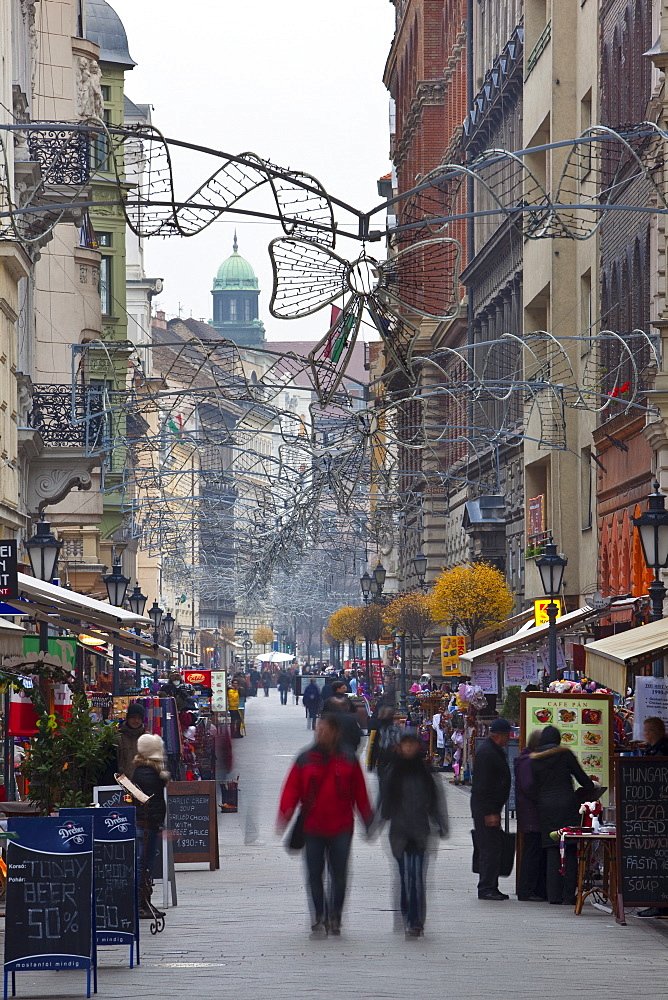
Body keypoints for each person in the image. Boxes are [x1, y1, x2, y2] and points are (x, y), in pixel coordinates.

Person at [277, 714, 373, 937]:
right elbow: (292, 788)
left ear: (335, 732)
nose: (320, 733)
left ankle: (335, 917)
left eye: (325, 729)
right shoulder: (305, 758)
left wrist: (367, 817)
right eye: (318, 729)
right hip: (313, 827)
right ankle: (319, 915)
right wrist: (285, 812)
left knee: (339, 876)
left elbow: (359, 790)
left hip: (341, 827)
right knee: (314, 875)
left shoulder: (348, 758)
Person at [379, 729, 449, 937]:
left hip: (420, 830)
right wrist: (374, 824)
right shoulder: (392, 771)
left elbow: (437, 801)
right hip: (399, 831)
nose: (409, 748)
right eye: (405, 744)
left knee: (417, 877)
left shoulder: (426, 773)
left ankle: (416, 920)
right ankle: (405, 913)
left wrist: (441, 824)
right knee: (404, 877)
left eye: (412, 744)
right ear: (400, 747)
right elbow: (382, 802)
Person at [530, 725, 597, 905]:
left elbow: (532, 786)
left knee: (552, 849)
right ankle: (569, 895)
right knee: (569, 848)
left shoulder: (534, 759)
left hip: (546, 806)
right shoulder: (565, 754)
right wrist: (587, 789)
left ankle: (553, 896)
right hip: (567, 804)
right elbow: (584, 781)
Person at [470, 717, 512, 900]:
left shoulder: (493, 749)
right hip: (485, 808)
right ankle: (486, 887)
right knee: (488, 848)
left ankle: (492, 885)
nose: (509, 739)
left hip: (490, 807)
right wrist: (490, 812)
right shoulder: (487, 752)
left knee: (494, 847)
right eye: (507, 735)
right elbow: (483, 785)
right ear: (500, 735)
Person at [132, 733, 169, 918]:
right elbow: (152, 802)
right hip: (146, 826)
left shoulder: (145, 768)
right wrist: (158, 824)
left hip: (146, 824)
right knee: (143, 865)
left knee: (144, 864)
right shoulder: (148, 771)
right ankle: (140, 903)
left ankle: (144, 902)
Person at [514, 730, 547, 902]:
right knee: (532, 852)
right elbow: (528, 786)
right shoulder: (528, 761)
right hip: (532, 814)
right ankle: (526, 890)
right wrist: (544, 796)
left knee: (534, 851)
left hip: (531, 813)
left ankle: (533, 888)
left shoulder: (528, 760)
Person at [116, 702, 146, 777]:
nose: (136, 720)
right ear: (128, 718)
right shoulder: (118, 737)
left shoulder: (147, 738)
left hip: (144, 783)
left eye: (139, 718)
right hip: (123, 782)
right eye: (133, 717)